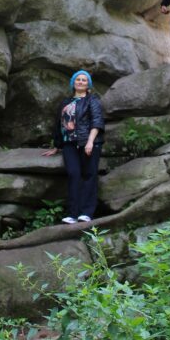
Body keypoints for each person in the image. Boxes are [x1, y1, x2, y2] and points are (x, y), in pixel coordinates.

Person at [43, 69, 104, 224]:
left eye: (84, 80)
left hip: (88, 143)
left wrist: (90, 141)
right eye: (78, 79)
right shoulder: (65, 103)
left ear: (88, 84)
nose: (81, 82)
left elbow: (97, 121)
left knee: (89, 175)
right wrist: (57, 146)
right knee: (73, 174)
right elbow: (59, 125)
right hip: (69, 144)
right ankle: (72, 213)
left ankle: (86, 212)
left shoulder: (93, 101)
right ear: (73, 83)